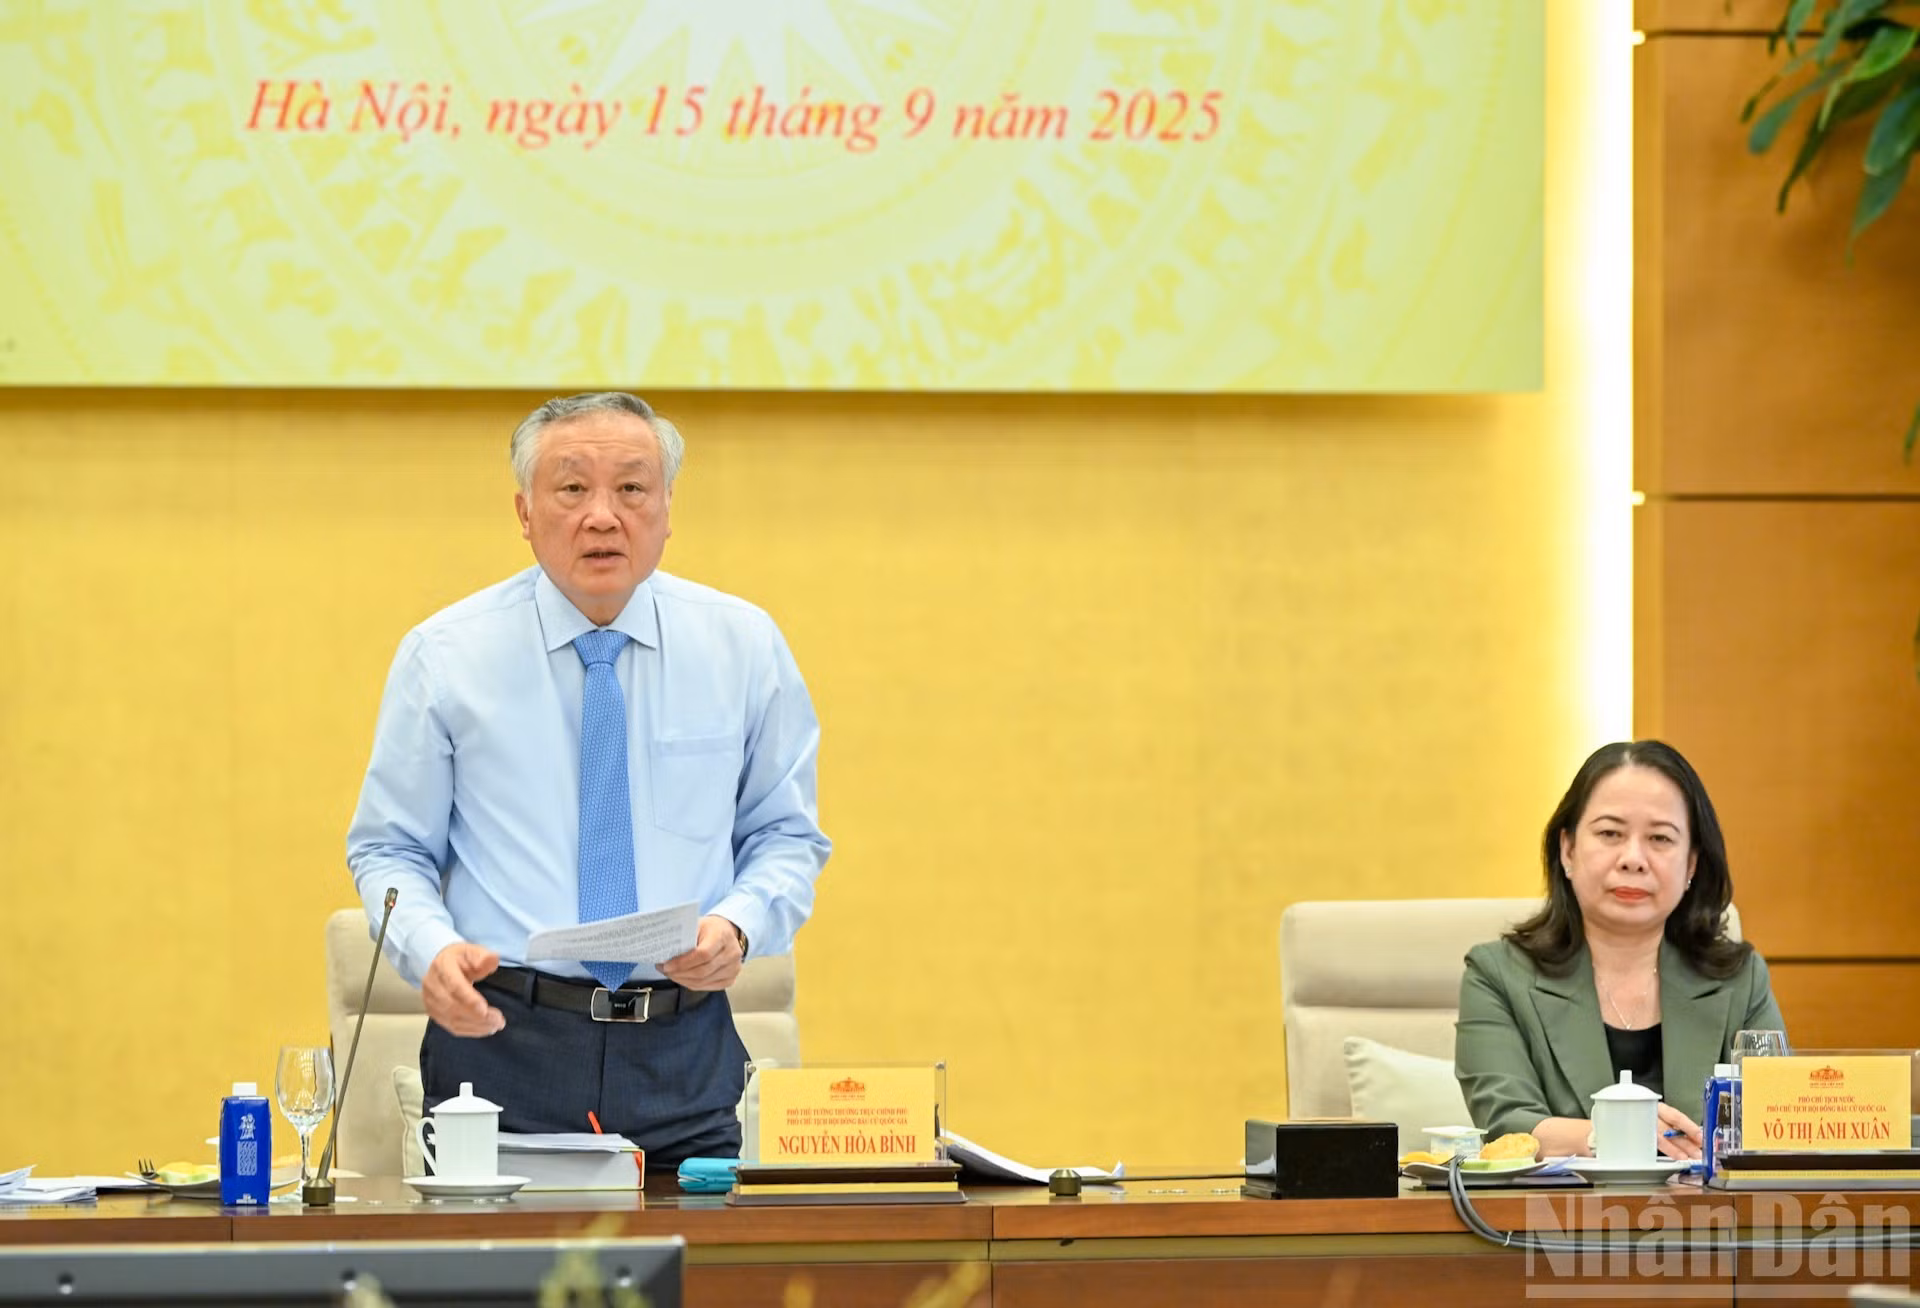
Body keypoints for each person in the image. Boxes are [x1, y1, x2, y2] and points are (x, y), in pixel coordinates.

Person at [346, 391, 830, 1165]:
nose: (602, 516)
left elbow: (785, 834)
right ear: (524, 511)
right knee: (495, 1250)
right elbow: (390, 850)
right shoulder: (446, 656)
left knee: (708, 1246)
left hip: (685, 1046)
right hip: (502, 1041)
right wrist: (429, 949)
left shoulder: (741, 646)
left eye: (632, 488)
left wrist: (738, 924)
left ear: (667, 508)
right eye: (572, 488)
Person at [1454, 740, 1785, 1160]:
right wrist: (1620, 1132)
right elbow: (1506, 1123)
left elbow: (1776, 1119)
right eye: (1610, 833)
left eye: (1660, 838)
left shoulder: (1740, 979)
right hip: (1555, 1204)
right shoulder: (1498, 975)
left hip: (1704, 1204)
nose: (1633, 859)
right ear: (1568, 849)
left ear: (1691, 864)